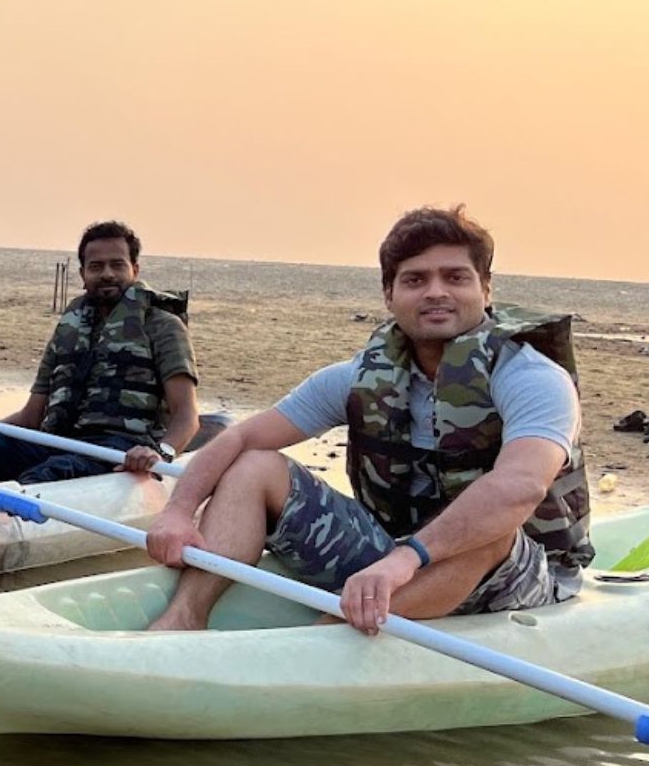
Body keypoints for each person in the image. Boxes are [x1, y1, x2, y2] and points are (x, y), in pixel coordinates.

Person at [143, 204, 592, 634]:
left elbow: (521, 487)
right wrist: (178, 512)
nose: (436, 291)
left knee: (490, 527)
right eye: (415, 280)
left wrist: (407, 559)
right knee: (254, 465)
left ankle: (323, 642)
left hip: (517, 570)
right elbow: (239, 439)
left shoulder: (532, 377)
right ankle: (184, 616)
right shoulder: (360, 376)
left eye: (455, 277)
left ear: (485, 289)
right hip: (392, 554)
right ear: (389, 294)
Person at [0, 220, 200, 486]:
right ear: (83, 274)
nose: (107, 274)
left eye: (117, 265)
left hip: (118, 449)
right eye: (96, 266)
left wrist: (160, 453)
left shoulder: (164, 327)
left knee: (56, 471)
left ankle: (2, 512)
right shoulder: (69, 330)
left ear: (134, 270)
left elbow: (186, 416)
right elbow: (30, 419)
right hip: (58, 442)